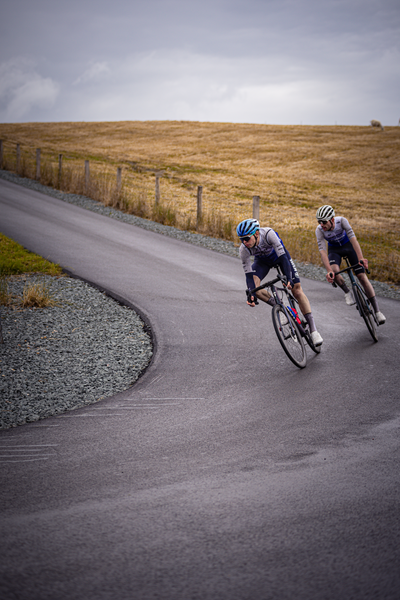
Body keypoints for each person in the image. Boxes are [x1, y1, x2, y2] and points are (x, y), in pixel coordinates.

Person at [237, 218, 323, 346]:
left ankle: (313, 330)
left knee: (296, 290)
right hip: (262, 263)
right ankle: (282, 308)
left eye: (246, 238)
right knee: (254, 288)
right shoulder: (244, 249)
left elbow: (283, 257)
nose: (244, 242)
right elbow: (249, 275)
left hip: (280, 258)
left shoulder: (268, 234)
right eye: (241, 239)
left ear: (256, 233)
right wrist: (252, 294)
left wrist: (288, 278)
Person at [315, 205, 386, 324]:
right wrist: (329, 271)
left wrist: (361, 258)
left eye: (324, 222)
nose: (321, 225)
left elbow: (353, 240)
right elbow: (322, 252)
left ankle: (378, 311)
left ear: (332, 220)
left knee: (362, 277)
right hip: (334, 250)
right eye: (319, 222)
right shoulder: (319, 230)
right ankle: (347, 292)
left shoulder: (342, 221)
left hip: (349, 247)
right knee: (335, 271)